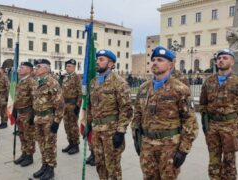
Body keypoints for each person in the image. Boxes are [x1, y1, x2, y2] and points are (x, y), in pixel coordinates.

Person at [131, 46, 198, 180]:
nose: (155, 62)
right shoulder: (144, 88)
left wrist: (183, 150)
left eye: (160, 60)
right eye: (153, 59)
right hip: (147, 145)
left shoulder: (180, 89)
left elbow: (189, 121)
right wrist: (137, 139)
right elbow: (137, 114)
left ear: (171, 64)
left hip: (169, 147)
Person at [85, 49, 132, 179]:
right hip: (96, 130)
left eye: (101, 60)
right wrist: (88, 123)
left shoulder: (119, 82)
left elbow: (126, 109)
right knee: (100, 164)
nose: (97, 62)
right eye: (97, 59)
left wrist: (121, 131)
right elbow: (90, 106)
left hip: (111, 132)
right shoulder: (94, 82)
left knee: (113, 167)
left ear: (110, 64)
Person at [199, 49, 238, 180]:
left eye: (225, 58)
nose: (221, 60)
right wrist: (205, 123)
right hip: (212, 126)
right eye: (219, 58)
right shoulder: (209, 82)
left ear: (232, 62)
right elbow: (203, 104)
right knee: (213, 161)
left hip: (230, 127)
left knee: (229, 162)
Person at [31, 59, 64, 180]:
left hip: (48, 119)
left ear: (46, 68)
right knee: (41, 143)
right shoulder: (36, 82)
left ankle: (50, 168)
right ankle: (44, 165)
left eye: (38, 66)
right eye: (35, 67)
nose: (36, 69)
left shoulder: (52, 82)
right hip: (38, 117)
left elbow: (60, 104)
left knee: (50, 145)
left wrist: (56, 121)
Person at [13, 61, 36, 167]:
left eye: (22, 67)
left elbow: (35, 98)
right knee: (22, 135)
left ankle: (29, 156)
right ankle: (24, 153)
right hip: (20, 112)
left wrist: (33, 114)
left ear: (28, 69)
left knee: (29, 136)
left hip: (27, 113)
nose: (19, 69)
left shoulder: (31, 81)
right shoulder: (21, 81)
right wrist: (14, 109)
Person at [61, 59, 81, 155]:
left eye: (69, 66)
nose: (67, 68)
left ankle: (76, 145)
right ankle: (70, 143)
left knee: (73, 126)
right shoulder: (65, 77)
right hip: (65, 105)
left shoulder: (77, 77)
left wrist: (78, 106)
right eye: (67, 66)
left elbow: (80, 93)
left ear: (74, 67)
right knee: (66, 125)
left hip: (73, 105)